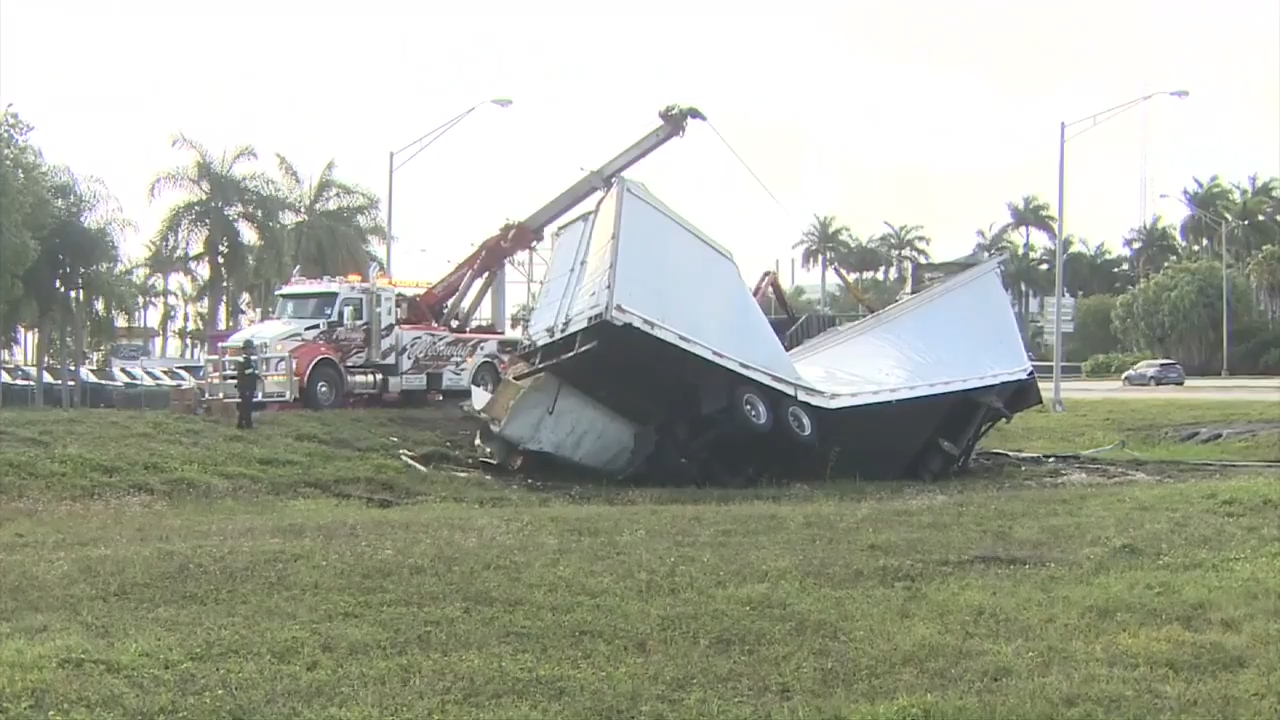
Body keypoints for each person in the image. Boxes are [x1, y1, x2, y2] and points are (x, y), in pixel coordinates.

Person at [235, 339, 259, 429]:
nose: (252, 351)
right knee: (246, 406)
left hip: (247, 386)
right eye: (251, 349)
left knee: (245, 406)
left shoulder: (247, 360)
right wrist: (255, 374)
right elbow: (245, 372)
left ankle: (241, 424)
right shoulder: (243, 361)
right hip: (246, 387)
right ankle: (248, 424)